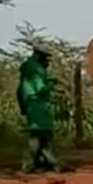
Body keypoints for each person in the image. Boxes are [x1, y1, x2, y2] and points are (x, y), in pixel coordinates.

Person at [17, 44, 64, 173]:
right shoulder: (37, 69)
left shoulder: (28, 66)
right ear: (38, 55)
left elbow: (23, 87)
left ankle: (44, 164)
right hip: (38, 103)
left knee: (42, 135)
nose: (47, 60)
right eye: (45, 57)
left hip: (31, 102)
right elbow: (41, 89)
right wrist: (51, 83)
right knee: (39, 134)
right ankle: (30, 165)